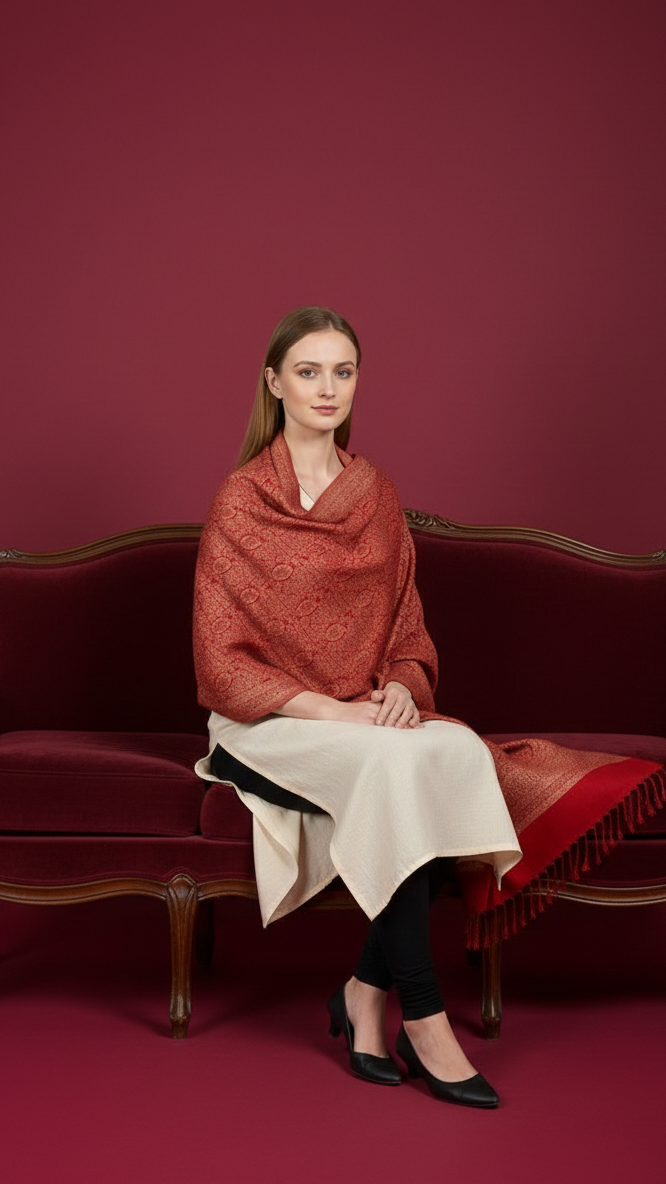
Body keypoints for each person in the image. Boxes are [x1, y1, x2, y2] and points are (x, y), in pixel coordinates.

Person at [192, 304, 525, 1109]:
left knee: (455, 753)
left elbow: (407, 625)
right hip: (265, 723)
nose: (327, 387)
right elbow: (219, 658)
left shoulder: (376, 494)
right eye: (308, 371)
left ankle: (361, 993)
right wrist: (335, 713)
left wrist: (403, 687)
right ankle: (426, 1018)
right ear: (274, 383)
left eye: (342, 371)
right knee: (396, 768)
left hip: (366, 717)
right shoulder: (241, 499)